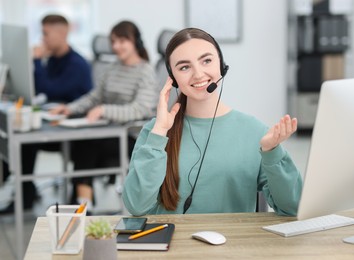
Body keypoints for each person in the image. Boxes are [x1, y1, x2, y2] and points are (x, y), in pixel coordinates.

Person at [122, 28, 303, 216]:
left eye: (206, 61)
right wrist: (160, 132)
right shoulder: (155, 131)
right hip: (171, 243)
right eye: (184, 67)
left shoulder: (254, 132)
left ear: (221, 65)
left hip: (230, 243)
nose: (198, 74)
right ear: (173, 79)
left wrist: (272, 153)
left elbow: (293, 207)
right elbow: (136, 206)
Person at [51, 20, 158, 212]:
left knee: (87, 145)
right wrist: (70, 108)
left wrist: (104, 110)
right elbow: (95, 97)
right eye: (113, 42)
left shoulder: (146, 72)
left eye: (122, 41)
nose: (116, 46)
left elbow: (140, 109)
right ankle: (83, 203)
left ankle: (81, 203)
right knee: (84, 143)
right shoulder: (112, 68)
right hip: (107, 132)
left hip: (131, 136)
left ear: (136, 42)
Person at [0, 14, 93, 214]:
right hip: (55, 123)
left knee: (26, 140)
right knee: (20, 137)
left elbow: (50, 89)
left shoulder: (77, 64)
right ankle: (25, 193)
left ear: (62, 33)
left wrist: (35, 60)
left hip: (76, 132)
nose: (42, 39)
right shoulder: (53, 60)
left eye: (45, 34)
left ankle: (26, 195)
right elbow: (39, 89)